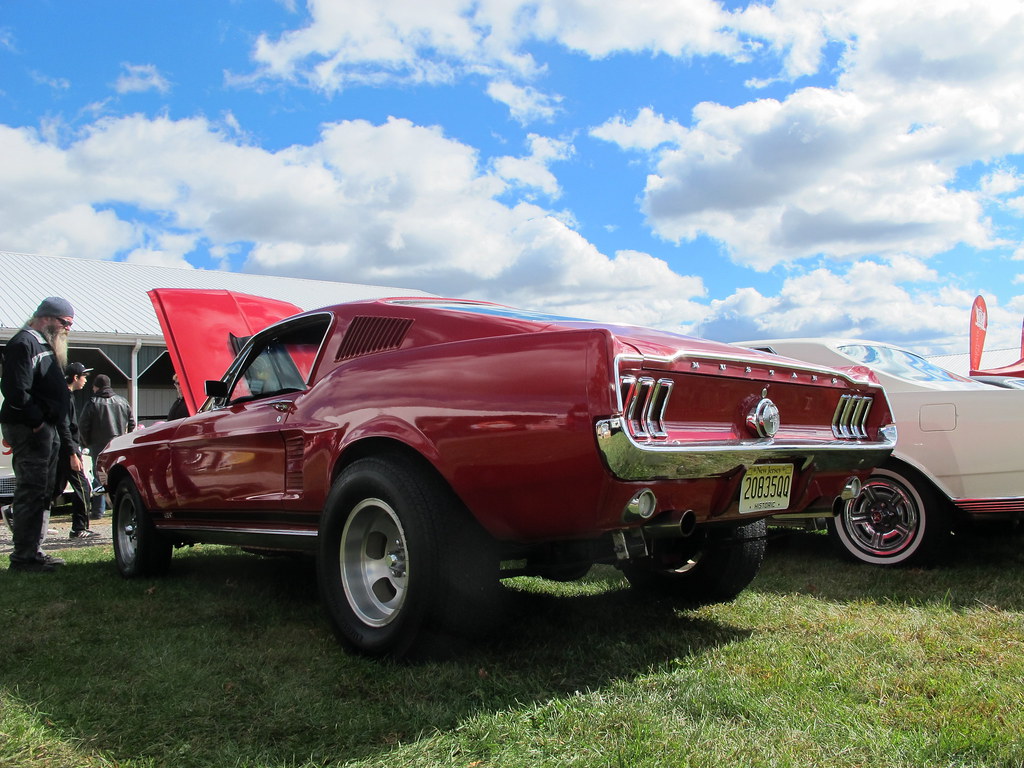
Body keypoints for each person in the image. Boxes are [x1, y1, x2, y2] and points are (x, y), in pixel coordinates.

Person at [0, 296, 76, 572]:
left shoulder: (41, 344)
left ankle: (34, 551)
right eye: (65, 323)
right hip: (32, 428)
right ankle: (23, 557)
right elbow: (16, 390)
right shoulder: (24, 343)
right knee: (31, 490)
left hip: (44, 428)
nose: (67, 329)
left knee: (44, 491)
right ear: (47, 318)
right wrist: (37, 423)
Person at [79, 373, 135, 519]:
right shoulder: (123, 401)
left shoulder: (92, 402)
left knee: (100, 478)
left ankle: (98, 511)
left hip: (98, 445)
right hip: (118, 444)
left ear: (96, 387)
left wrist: (85, 443)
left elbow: (83, 426)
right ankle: (120, 507)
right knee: (118, 475)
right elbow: (132, 423)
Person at [54, 362, 97, 539]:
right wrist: (73, 453)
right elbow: (64, 426)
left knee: (53, 488)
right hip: (66, 449)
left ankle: (17, 514)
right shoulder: (65, 396)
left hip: (62, 447)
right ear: (75, 378)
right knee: (83, 487)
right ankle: (79, 528)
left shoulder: (66, 395)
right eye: (84, 376)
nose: (86, 380)